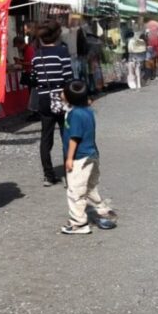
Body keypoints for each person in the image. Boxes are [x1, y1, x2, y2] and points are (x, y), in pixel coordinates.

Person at [60, 80, 117, 235]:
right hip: (91, 155)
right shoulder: (87, 110)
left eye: (63, 92)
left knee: (75, 190)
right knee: (90, 186)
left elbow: (75, 138)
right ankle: (102, 210)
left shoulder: (75, 114)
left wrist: (69, 158)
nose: (61, 94)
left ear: (69, 97)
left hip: (80, 157)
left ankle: (78, 223)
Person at [32, 18, 74, 186]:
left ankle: (48, 176)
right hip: (61, 96)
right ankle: (69, 175)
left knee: (46, 137)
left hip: (43, 97)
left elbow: (34, 78)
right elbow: (68, 77)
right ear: (57, 34)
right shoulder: (62, 52)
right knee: (66, 134)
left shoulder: (37, 55)